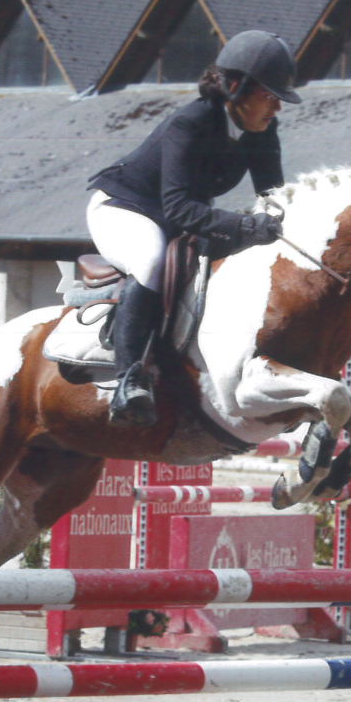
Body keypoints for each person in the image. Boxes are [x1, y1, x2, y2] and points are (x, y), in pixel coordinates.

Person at [86, 30, 297, 425]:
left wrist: (284, 224)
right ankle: (127, 379)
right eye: (270, 96)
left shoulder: (263, 132)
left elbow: (272, 195)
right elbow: (180, 208)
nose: (277, 108)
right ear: (235, 88)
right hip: (125, 208)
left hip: (175, 215)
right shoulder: (191, 122)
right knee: (149, 261)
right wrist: (245, 225)